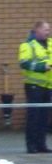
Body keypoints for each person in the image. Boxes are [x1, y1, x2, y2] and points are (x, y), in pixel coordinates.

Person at [18, 21, 52, 154]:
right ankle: (31, 145)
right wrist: (41, 67)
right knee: (34, 117)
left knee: (44, 117)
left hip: (47, 85)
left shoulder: (50, 43)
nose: (47, 32)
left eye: (48, 30)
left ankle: (41, 145)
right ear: (37, 30)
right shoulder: (27, 45)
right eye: (45, 29)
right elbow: (24, 63)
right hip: (34, 86)